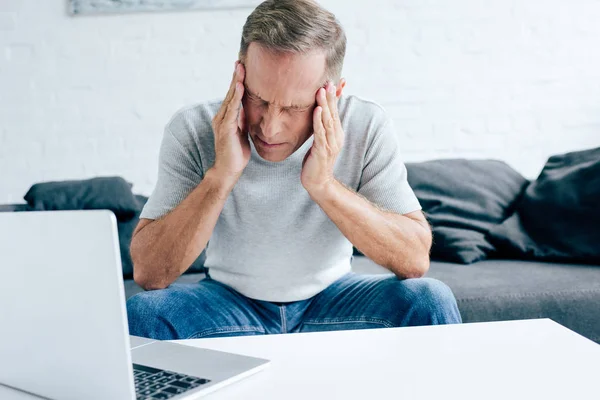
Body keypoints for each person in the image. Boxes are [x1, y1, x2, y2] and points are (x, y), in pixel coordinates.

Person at [127, 0, 462, 340]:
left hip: (334, 299)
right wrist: (221, 174)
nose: (270, 128)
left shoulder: (365, 126)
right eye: (258, 99)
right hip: (227, 301)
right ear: (238, 74)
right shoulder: (194, 128)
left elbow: (414, 259)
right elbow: (150, 274)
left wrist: (323, 185)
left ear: (333, 94)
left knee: (429, 299)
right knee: (144, 314)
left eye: (294, 108)